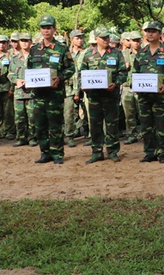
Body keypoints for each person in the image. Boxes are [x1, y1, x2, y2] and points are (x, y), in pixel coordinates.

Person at [29, 14, 75, 164]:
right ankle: (45, 153)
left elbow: (71, 68)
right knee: (40, 125)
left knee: (55, 124)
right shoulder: (34, 49)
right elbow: (29, 69)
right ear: (40, 30)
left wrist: (60, 78)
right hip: (39, 94)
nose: (46, 30)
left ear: (54, 29)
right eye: (43, 28)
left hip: (55, 94)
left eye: (49, 28)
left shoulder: (61, 48)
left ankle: (57, 154)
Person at [80, 26, 128, 163]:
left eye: (107, 37)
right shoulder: (88, 54)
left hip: (110, 95)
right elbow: (81, 73)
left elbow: (123, 72)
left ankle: (112, 151)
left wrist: (116, 83)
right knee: (95, 124)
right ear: (96, 39)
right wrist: (82, 86)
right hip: (94, 96)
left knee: (112, 124)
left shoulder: (117, 53)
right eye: (103, 37)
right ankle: (97, 151)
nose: (106, 39)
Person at [133, 21, 164, 163]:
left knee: (161, 124)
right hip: (144, 96)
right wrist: (134, 84)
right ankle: (150, 152)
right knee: (146, 125)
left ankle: (163, 152)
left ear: (159, 34)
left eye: (153, 31)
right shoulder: (141, 53)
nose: (150, 33)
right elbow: (135, 73)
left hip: (161, 96)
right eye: (148, 31)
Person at [8, 33, 35, 147]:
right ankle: (21, 138)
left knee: (32, 116)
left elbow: (40, 72)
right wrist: (16, 81)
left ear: (30, 42)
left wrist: (32, 81)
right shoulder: (14, 59)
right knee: (19, 117)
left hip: (32, 92)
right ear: (19, 42)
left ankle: (33, 138)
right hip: (19, 93)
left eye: (27, 40)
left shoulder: (35, 57)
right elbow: (10, 74)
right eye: (22, 40)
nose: (24, 43)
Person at [122, 31, 142, 145]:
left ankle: (145, 133)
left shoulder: (145, 53)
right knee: (129, 114)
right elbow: (118, 68)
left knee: (143, 112)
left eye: (137, 40)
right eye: (133, 40)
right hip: (127, 88)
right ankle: (131, 134)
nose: (136, 43)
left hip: (142, 88)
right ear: (129, 41)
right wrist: (125, 66)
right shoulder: (124, 54)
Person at [0, 35, 15, 140]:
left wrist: (11, 89)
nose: (1, 45)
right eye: (0, 43)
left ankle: (9, 131)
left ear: (7, 44)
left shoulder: (10, 56)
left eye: (3, 43)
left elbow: (13, 72)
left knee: (8, 111)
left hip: (6, 87)